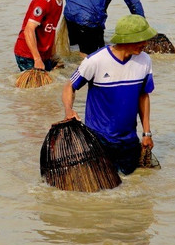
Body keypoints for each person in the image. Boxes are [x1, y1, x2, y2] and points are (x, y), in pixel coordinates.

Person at [61, 14, 157, 175]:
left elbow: (143, 96)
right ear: (126, 40)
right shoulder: (95, 61)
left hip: (129, 140)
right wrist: (69, 110)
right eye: (141, 40)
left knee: (132, 186)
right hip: (99, 140)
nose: (145, 44)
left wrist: (147, 133)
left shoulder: (145, 61)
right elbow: (70, 86)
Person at [15, 0, 78, 73]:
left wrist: (54, 56)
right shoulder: (44, 0)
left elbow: (51, 30)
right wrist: (37, 59)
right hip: (28, 54)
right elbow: (29, 30)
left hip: (44, 54)